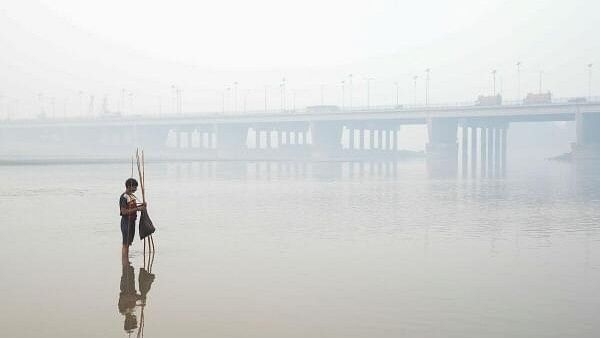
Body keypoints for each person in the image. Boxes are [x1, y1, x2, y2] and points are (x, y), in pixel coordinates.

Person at [119, 178, 146, 258]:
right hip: (126, 222)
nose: (136, 189)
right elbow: (124, 212)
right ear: (129, 186)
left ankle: (126, 261)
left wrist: (142, 206)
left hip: (132, 222)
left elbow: (133, 207)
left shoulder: (132, 196)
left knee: (129, 242)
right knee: (125, 244)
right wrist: (138, 209)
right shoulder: (124, 197)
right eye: (135, 187)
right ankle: (125, 261)